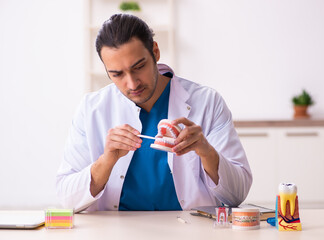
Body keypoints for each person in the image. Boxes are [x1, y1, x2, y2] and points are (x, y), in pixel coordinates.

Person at [56, 14, 252, 212]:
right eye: (117, 74)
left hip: (190, 229)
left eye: (138, 67)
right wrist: (105, 161)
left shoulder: (207, 102)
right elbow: (67, 200)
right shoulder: (92, 109)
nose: (132, 84)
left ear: (155, 52)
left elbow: (237, 194)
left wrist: (207, 152)